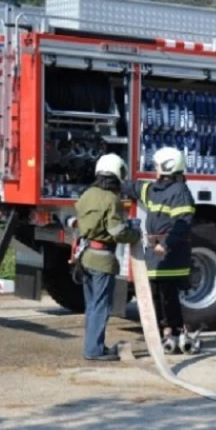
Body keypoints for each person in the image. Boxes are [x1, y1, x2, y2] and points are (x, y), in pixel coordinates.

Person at [122, 147, 200, 355]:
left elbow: (182, 223)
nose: (154, 169)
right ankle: (163, 332)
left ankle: (175, 331)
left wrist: (165, 245)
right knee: (155, 296)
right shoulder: (154, 190)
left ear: (166, 167)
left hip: (171, 254)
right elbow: (135, 188)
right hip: (155, 256)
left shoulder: (180, 193)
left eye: (157, 165)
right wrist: (115, 181)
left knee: (168, 296)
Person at [71, 153, 141, 362]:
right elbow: (116, 231)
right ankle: (94, 350)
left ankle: (94, 345)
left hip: (86, 257)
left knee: (92, 306)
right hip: (103, 260)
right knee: (100, 307)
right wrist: (134, 234)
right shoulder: (112, 199)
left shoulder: (87, 194)